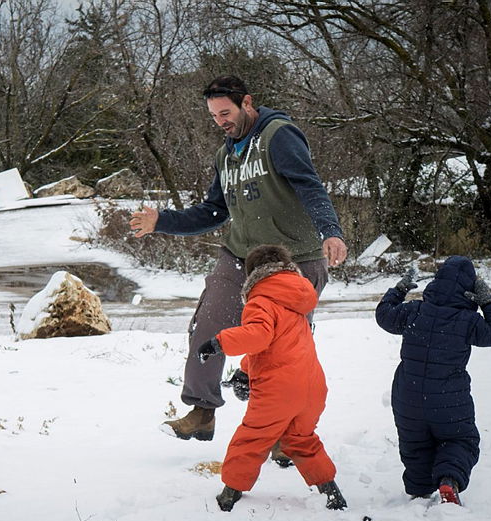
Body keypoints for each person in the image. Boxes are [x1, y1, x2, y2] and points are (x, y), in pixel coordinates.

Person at [129, 75, 347, 454]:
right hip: (240, 256)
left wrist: (331, 231)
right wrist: (161, 221)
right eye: (213, 116)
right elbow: (214, 211)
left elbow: (310, 186)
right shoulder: (225, 154)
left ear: (248, 102)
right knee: (207, 325)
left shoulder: (279, 135)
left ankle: (286, 432)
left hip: (293, 259)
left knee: (282, 350)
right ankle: (202, 411)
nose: (220, 122)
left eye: (225, 113)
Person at [197, 244, 346, 512]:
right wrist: (245, 370)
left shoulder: (261, 300)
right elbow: (277, 346)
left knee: (252, 438)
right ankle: (331, 491)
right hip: (312, 388)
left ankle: (230, 493)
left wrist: (218, 342)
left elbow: (259, 336)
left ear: (253, 274)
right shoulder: (296, 301)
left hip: (279, 391)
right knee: (301, 439)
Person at [375, 257, 491, 505]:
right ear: (470, 289)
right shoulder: (468, 321)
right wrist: (487, 301)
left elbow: (383, 315)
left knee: (415, 442)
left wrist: (401, 288)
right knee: (460, 440)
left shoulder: (414, 310)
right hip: (449, 399)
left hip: (408, 396)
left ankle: (418, 490)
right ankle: (449, 480)